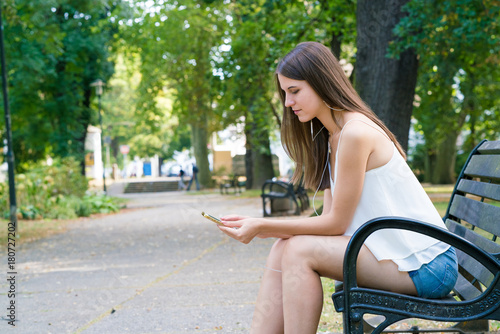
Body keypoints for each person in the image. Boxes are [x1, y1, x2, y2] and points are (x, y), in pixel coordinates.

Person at [217, 42, 458, 334]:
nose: (287, 103)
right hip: (395, 255)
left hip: (429, 266)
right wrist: (266, 228)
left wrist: (262, 225)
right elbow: (328, 219)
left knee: (298, 251)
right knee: (283, 247)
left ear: (321, 81)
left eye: (294, 91)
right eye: (284, 93)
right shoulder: (333, 136)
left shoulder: (355, 133)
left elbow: (336, 224)